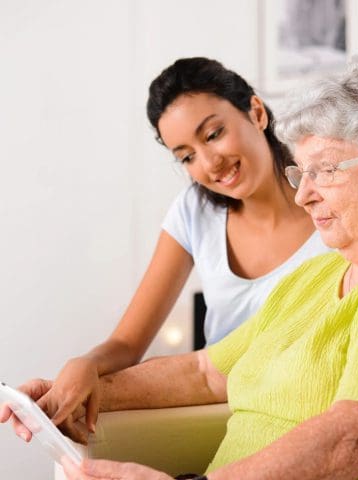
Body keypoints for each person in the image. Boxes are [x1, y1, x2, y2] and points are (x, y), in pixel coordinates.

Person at [5, 53, 358, 479]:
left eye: (327, 171)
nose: (304, 193)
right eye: (302, 172)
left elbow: (355, 437)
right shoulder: (317, 277)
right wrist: (74, 394)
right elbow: (207, 374)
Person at [4, 58, 326, 443]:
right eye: (186, 156)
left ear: (256, 112)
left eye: (213, 134)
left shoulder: (331, 199)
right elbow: (127, 343)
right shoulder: (195, 211)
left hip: (306, 409)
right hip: (219, 415)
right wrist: (84, 366)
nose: (210, 163)